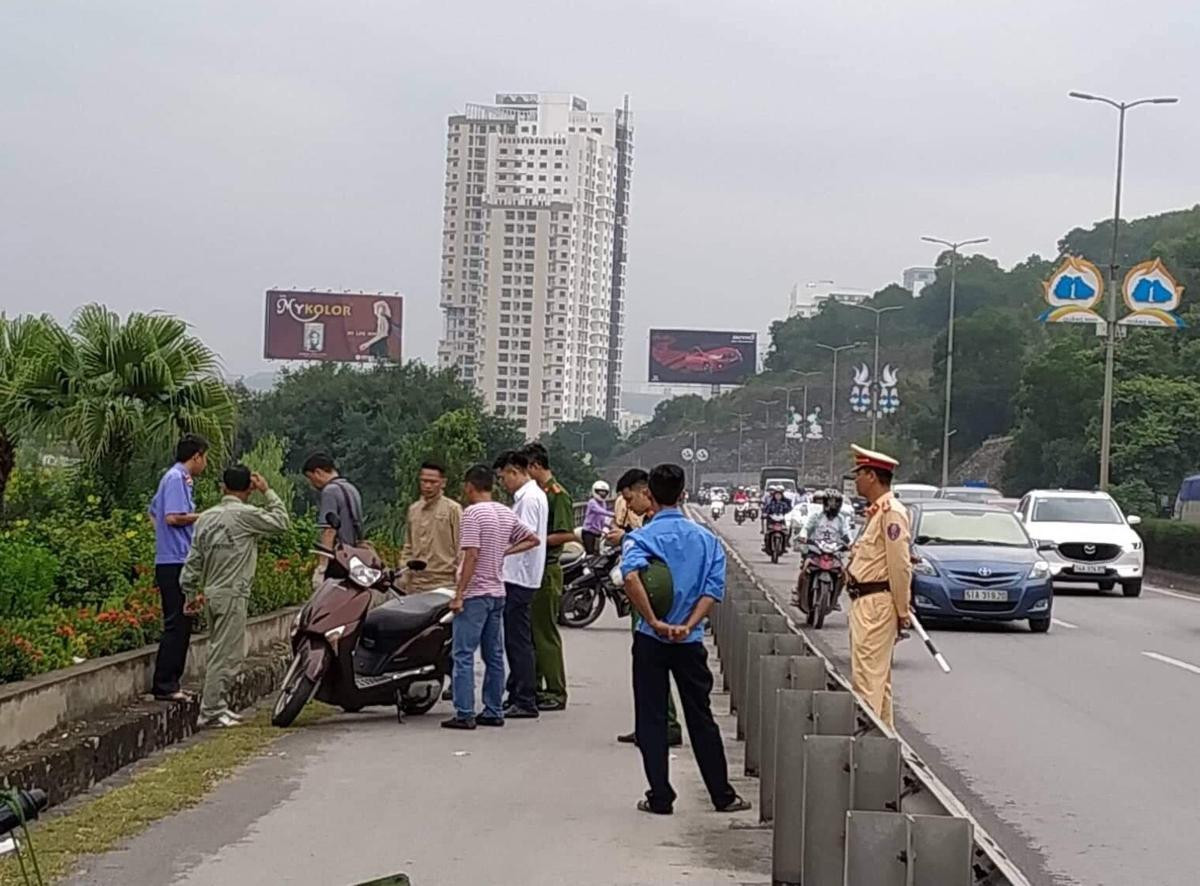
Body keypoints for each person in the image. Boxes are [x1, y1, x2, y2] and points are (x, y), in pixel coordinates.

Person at [621, 463, 750, 816]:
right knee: (700, 715)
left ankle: (660, 796)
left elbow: (630, 578)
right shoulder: (707, 540)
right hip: (689, 641)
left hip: (650, 639)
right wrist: (686, 624)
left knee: (651, 717)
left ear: (650, 495)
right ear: (683, 494)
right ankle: (722, 795)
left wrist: (654, 621)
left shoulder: (641, 538)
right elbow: (712, 590)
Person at [181, 466, 290, 727]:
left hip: (211, 593)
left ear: (223, 487)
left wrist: (189, 592)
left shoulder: (206, 517)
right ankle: (211, 711)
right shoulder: (245, 515)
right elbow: (282, 523)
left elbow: (193, 560)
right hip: (233, 593)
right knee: (226, 656)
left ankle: (218, 706)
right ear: (249, 489)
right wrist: (268, 491)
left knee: (218, 650)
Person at [443, 464, 540, 730]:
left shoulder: (472, 514)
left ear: (469, 486)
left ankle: (464, 712)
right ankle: (493, 709)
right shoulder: (504, 512)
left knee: (462, 654)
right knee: (494, 655)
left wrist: (459, 593)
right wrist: (505, 552)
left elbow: (471, 554)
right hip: (498, 591)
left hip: (475, 593)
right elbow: (532, 539)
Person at [608, 468, 683, 748]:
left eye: (630, 499)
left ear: (645, 492)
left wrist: (625, 539)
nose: (628, 506)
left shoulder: (654, 524)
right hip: (658, 598)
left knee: (651, 664)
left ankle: (664, 724)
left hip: (652, 600)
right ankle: (652, 723)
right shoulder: (649, 523)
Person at [844, 445, 912, 729]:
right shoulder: (878, 512)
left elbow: (900, 567)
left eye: (859, 474)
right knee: (877, 680)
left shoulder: (891, 513)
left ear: (871, 476)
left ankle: (868, 743)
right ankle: (884, 743)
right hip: (866, 601)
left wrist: (902, 610)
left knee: (868, 680)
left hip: (876, 602)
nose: (855, 480)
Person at [147, 434, 209, 702]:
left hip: (172, 556)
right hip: (175, 561)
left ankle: (172, 680)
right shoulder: (176, 478)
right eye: (204, 458)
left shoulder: (175, 479)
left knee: (183, 621)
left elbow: (154, 513)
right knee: (177, 622)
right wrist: (204, 517)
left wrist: (162, 536)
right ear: (196, 456)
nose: (204, 464)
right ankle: (165, 684)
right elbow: (172, 517)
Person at [493, 449, 548, 719]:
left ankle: (525, 698)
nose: (503, 483)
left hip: (520, 576)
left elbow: (527, 537)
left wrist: (499, 550)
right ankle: (517, 691)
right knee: (518, 638)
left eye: (504, 477)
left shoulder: (528, 499)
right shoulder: (534, 495)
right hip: (524, 575)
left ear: (515, 472)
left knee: (518, 640)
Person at [521, 442, 574, 711]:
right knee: (532, 632)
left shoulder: (557, 495)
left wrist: (535, 539)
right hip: (534, 568)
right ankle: (537, 685)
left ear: (535, 466)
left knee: (545, 633)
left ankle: (555, 690)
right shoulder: (538, 493)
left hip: (548, 568)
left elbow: (567, 533)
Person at [400, 460, 462, 593]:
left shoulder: (453, 509)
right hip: (416, 583)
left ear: (443, 482)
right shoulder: (413, 509)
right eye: (424, 481)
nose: (428, 486)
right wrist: (403, 572)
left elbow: (461, 546)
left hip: (444, 583)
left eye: (433, 482)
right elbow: (408, 545)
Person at [302, 453, 364, 581]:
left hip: (339, 559)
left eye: (310, 478)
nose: (311, 484)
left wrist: (322, 566)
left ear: (318, 472)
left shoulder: (330, 491)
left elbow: (329, 530)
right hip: (356, 556)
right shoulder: (351, 489)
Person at [794, 488, 854, 611]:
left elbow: (846, 534)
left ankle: (835, 598)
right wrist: (803, 536)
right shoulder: (816, 516)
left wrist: (850, 544)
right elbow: (806, 528)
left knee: (842, 574)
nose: (833, 505)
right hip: (815, 549)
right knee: (805, 569)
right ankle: (798, 593)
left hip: (834, 551)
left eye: (836, 502)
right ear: (825, 503)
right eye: (830, 502)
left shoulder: (841, 519)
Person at [581, 480, 612, 554]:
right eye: (600, 492)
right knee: (590, 552)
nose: (603, 494)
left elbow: (603, 517)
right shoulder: (592, 502)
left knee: (598, 553)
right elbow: (600, 511)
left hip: (598, 532)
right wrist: (613, 514)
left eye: (605, 492)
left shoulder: (603, 503)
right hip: (589, 532)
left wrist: (607, 526)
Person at [761, 486, 792, 552]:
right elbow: (766, 510)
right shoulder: (770, 503)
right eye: (776, 495)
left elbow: (789, 511)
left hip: (781, 521)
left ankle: (784, 546)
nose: (778, 496)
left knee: (785, 533)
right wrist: (765, 514)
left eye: (779, 495)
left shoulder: (784, 504)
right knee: (767, 533)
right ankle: (766, 545)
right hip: (772, 521)